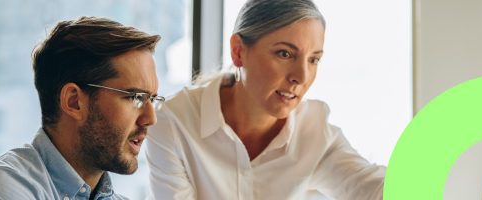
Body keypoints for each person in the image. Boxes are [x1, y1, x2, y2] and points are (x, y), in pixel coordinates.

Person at [145, 0, 386, 199]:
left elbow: (372, 188)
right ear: (238, 51)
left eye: (313, 60)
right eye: (284, 53)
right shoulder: (173, 121)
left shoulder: (315, 130)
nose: (301, 77)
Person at [0, 16, 164, 200]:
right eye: (136, 97)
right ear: (74, 102)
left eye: (152, 99)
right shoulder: (1, 192)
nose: (151, 118)